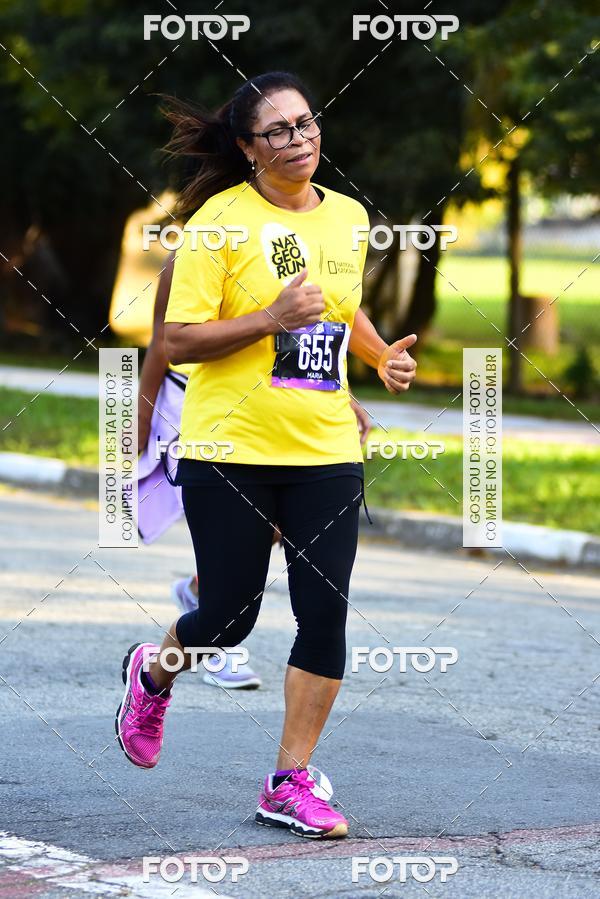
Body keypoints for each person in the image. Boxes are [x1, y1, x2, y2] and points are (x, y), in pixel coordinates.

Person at [116, 71, 416, 840]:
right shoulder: (218, 222)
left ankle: (289, 779)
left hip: (324, 447)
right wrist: (267, 316)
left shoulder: (348, 216)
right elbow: (176, 338)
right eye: (278, 130)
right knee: (228, 616)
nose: (299, 138)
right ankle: (154, 672)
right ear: (249, 148)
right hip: (229, 447)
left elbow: (343, 310)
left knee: (325, 611)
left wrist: (380, 358)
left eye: (306, 123)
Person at [136, 253, 372, 689]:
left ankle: (201, 595)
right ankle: (214, 635)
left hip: (286, 423)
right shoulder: (198, 246)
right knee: (241, 546)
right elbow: (162, 341)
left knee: (275, 530)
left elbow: (317, 335)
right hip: (207, 416)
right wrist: (142, 415)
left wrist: (343, 395)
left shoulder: (293, 242)